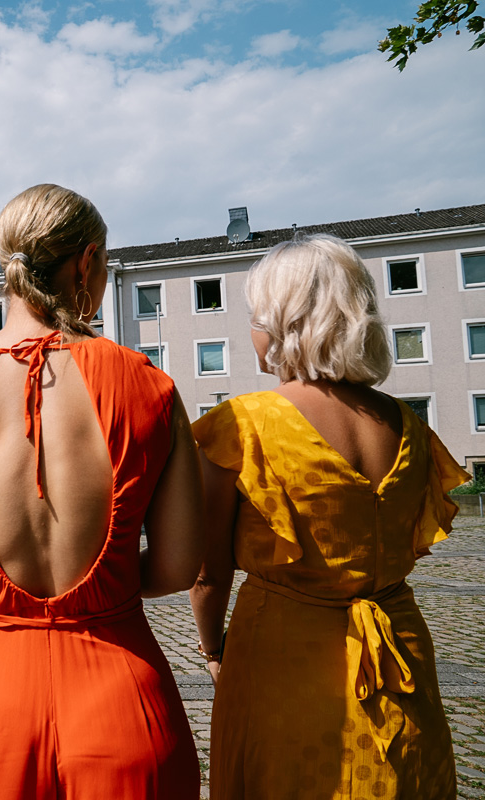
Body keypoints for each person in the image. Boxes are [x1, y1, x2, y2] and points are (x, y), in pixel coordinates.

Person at [0, 184, 204, 798]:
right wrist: (103, 583)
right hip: (122, 695)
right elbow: (176, 565)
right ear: (86, 262)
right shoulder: (151, 388)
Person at [189, 233, 463, 799]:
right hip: (400, 655)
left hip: (283, 661)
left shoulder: (241, 424)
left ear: (281, 324)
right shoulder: (410, 425)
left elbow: (207, 573)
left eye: (254, 317)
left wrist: (213, 652)